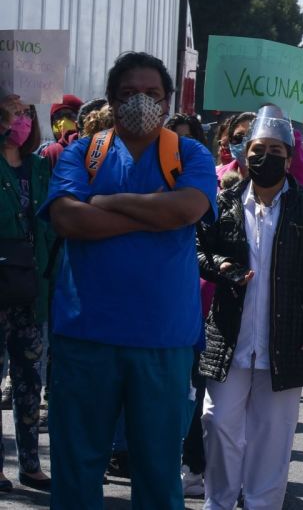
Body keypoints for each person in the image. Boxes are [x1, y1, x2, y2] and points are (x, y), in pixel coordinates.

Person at [41, 52, 217, 509]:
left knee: (158, 471)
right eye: (129, 93)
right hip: (85, 335)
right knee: (76, 467)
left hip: (162, 339)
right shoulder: (84, 151)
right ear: (113, 101)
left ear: (168, 100)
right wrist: (153, 214)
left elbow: (187, 209)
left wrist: (105, 202)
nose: (141, 101)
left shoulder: (189, 153)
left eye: (152, 94)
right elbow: (66, 219)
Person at [196, 107, 303, 509]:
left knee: (273, 435)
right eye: (258, 148)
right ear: (244, 154)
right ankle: (219, 501)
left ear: (289, 158)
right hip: (229, 335)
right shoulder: (224, 202)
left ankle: (262, 504)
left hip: (288, 339)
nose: (265, 157)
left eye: (275, 149)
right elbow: (197, 249)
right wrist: (220, 267)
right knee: (218, 422)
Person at [0, 98, 54, 492]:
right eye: (11, 113)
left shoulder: (38, 167)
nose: (20, 120)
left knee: (29, 379)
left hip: (31, 289)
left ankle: (30, 464)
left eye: (25, 114)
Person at [39, 94, 83, 168]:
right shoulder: (47, 152)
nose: (63, 122)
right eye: (57, 117)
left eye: (69, 116)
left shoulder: (91, 150)